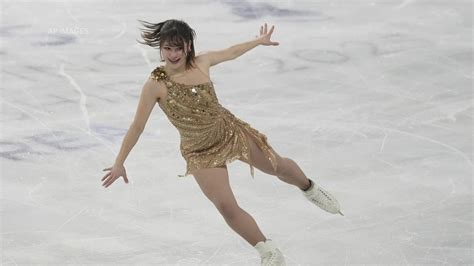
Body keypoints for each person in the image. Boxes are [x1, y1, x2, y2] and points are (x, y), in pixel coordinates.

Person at [100, 19, 343, 266]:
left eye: (178, 48)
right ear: (160, 48)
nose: (173, 54)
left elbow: (231, 52)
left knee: (276, 166)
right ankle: (268, 251)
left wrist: (258, 41)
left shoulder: (201, 62)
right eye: (167, 48)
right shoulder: (155, 84)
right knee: (226, 206)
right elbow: (137, 126)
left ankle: (309, 187)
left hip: (228, 132)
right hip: (199, 151)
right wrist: (119, 162)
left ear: (188, 47)